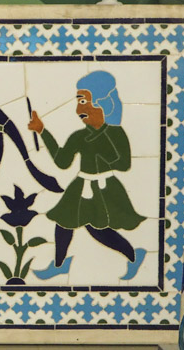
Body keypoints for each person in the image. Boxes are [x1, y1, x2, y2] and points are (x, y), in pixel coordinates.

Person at [27, 70, 146, 281]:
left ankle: (133, 255)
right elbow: (62, 161)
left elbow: (124, 164)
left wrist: (102, 146)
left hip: (105, 188)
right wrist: (42, 131)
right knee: (63, 222)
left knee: (98, 230)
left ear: (103, 103)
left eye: (84, 101)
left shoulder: (115, 133)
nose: (79, 109)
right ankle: (60, 264)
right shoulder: (79, 136)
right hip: (81, 186)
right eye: (78, 102)